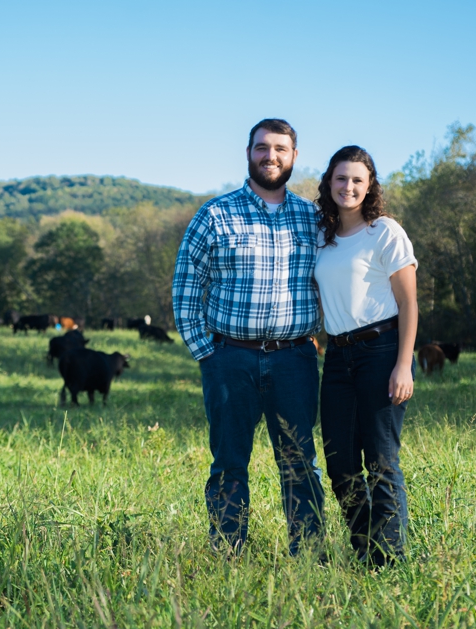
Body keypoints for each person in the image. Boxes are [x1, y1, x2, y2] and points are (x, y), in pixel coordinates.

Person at [172, 119, 325, 556]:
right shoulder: (215, 214)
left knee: (300, 463)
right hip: (229, 359)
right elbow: (186, 286)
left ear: (294, 156)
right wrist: (207, 354)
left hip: (294, 359)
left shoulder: (313, 218)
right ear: (248, 153)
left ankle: (309, 554)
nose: (270, 156)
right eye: (262, 147)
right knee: (228, 463)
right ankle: (227, 550)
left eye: (280, 149)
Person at [313, 145, 418, 567]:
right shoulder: (324, 238)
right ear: (329, 182)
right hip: (337, 358)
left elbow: (409, 303)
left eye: (358, 179)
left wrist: (404, 364)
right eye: (341, 178)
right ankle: (365, 549)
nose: (349, 186)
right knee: (340, 465)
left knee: (380, 461)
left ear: (369, 184)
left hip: (381, 350)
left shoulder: (385, 232)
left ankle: (388, 561)